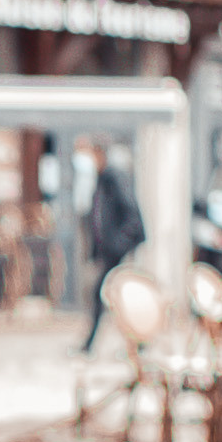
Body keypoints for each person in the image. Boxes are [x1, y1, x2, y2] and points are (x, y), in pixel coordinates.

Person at [80, 144, 145, 349]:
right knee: (114, 296)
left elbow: (131, 215)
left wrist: (117, 244)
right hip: (111, 250)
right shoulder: (103, 179)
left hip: (117, 250)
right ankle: (136, 342)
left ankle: (136, 341)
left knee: (115, 296)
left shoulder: (114, 178)